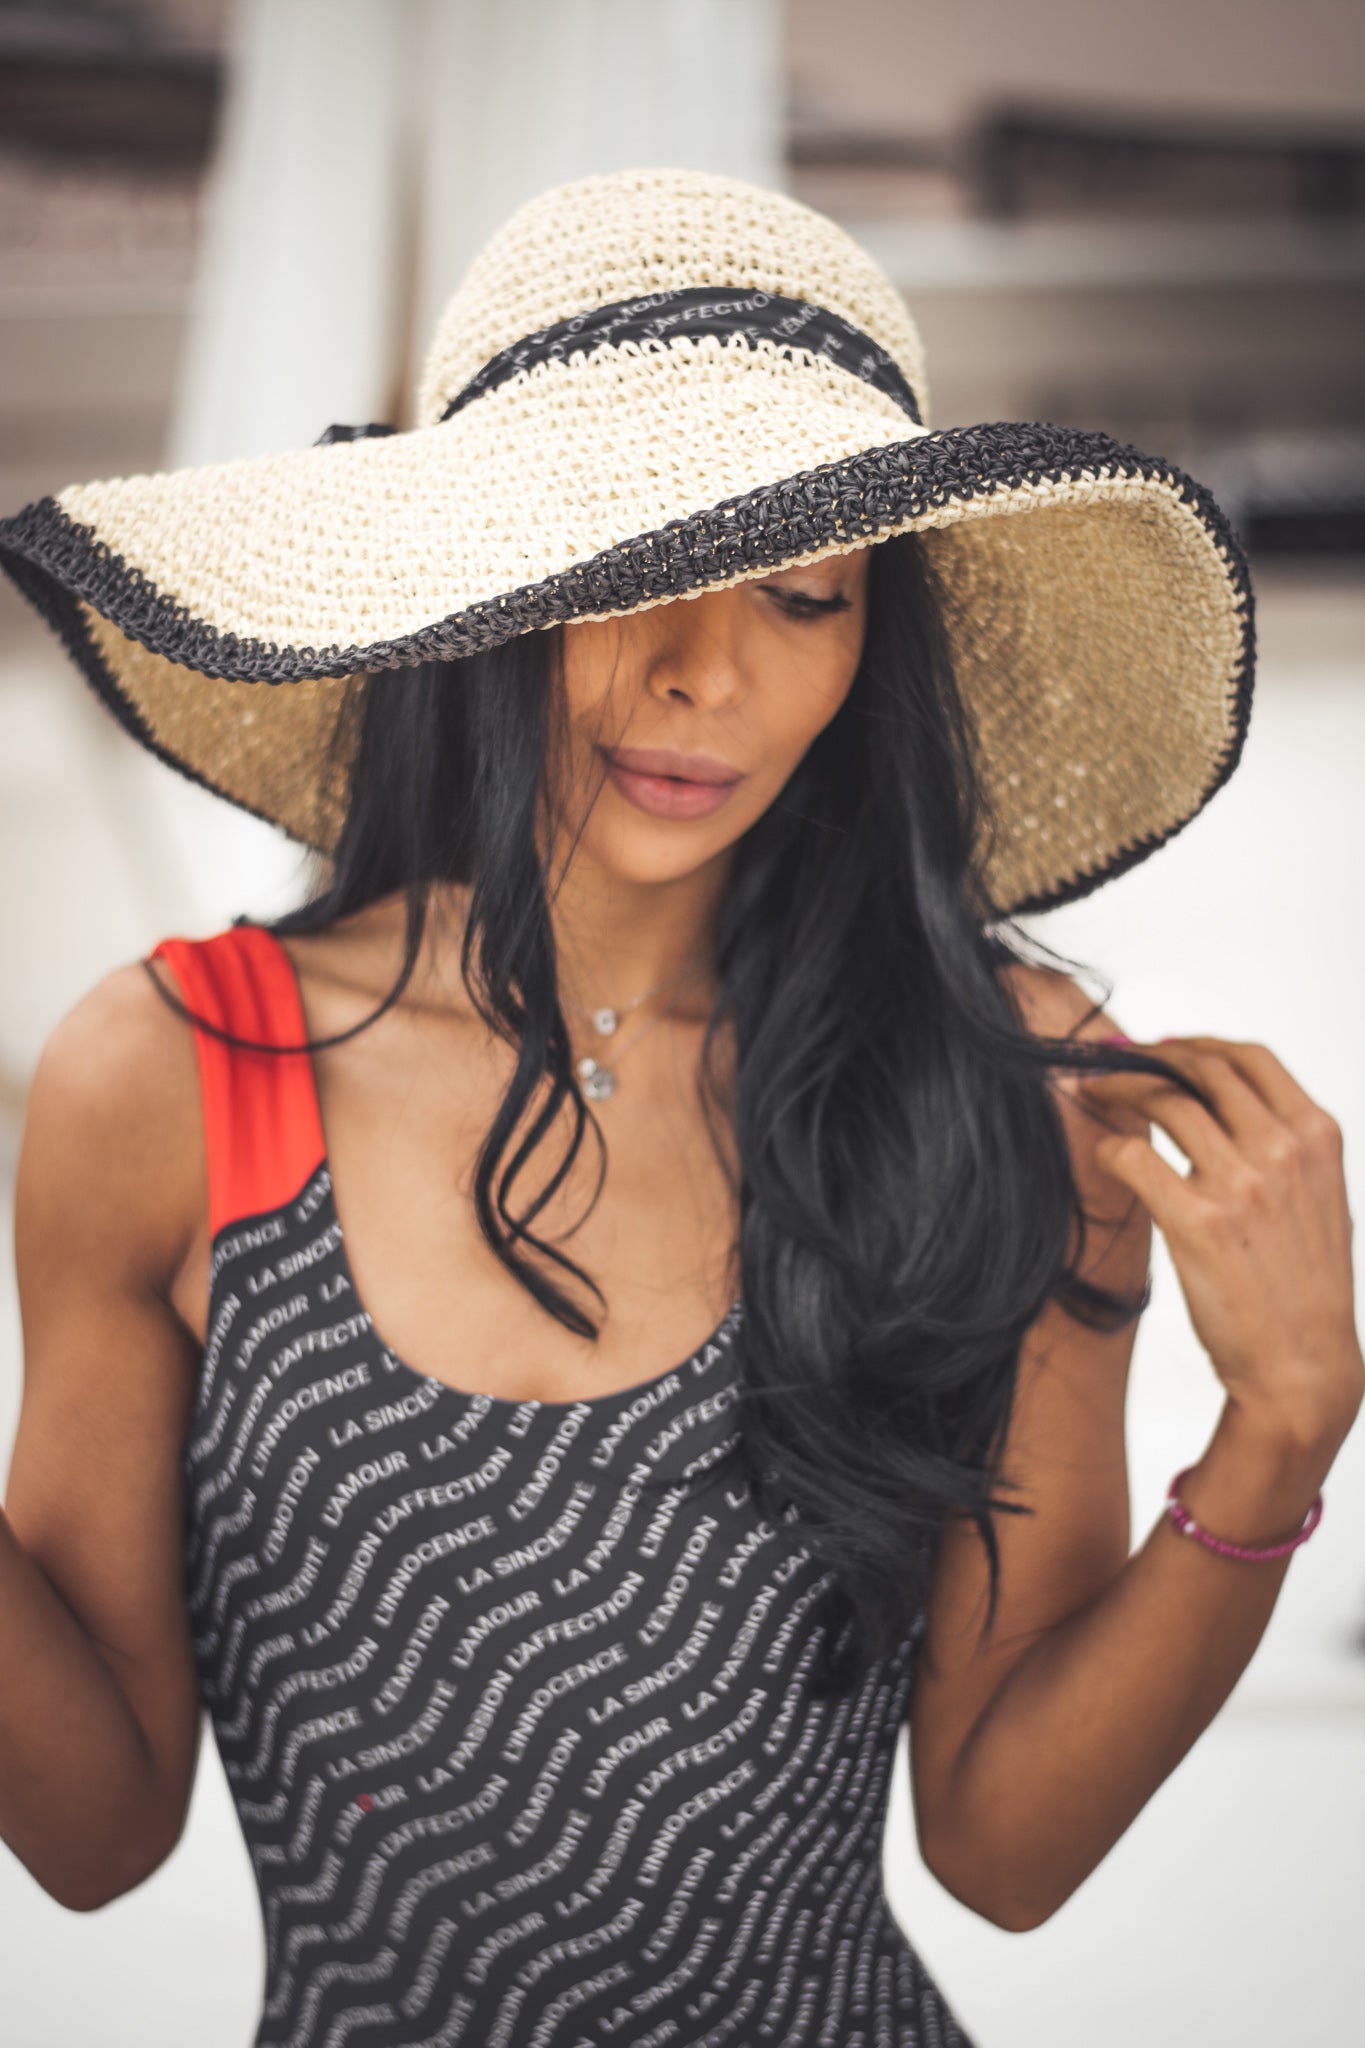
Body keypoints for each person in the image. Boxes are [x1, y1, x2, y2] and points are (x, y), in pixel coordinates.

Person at [0, 166, 1360, 2048]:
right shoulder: (171, 1076)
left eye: (802, 594)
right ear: (486, 595)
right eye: (634, 575)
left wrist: (1285, 1430)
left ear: (865, 645)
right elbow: (91, 1826)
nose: (705, 672)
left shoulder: (995, 1090)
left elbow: (1002, 1850)